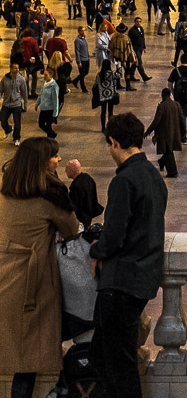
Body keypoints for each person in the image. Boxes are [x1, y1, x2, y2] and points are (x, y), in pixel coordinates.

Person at [90, 112, 168, 398]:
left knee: (118, 365)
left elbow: (113, 236)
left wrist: (96, 250)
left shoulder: (124, 180)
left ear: (113, 142)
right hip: (142, 279)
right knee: (105, 354)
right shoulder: (152, 176)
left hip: (120, 282)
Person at [0, 138, 80, 398]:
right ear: (43, 163)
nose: (58, 160)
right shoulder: (51, 196)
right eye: (55, 157)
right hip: (31, 285)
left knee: (17, 356)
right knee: (28, 360)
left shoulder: (6, 190)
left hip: (5, 277)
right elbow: (71, 230)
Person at [145, 88, 185, 177]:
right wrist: (183, 132)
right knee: (169, 151)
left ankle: (172, 172)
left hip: (164, 134)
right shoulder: (177, 104)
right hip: (174, 133)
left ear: (163, 95)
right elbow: (182, 119)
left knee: (168, 151)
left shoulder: (162, 106)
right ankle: (162, 162)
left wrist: (148, 131)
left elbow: (156, 121)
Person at [65, 159, 103, 230]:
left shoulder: (75, 186)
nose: (65, 171)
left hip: (81, 219)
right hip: (89, 214)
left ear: (72, 171)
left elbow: (75, 206)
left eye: (67, 169)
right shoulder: (87, 177)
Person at [0, 61, 27, 145]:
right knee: (3, 120)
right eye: (15, 68)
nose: (17, 70)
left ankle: (17, 138)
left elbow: (24, 92)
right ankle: (8, 129)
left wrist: (25, 104)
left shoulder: (21, 79)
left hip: (17, 104)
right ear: (11, 69)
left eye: (18, 68)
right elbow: (0, 91)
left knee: (17, 123)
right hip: (6, 104)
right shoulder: (4, 79)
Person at [35, 67, 59, 137]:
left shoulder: (54, 86)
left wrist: (55, 113)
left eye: (46, 75)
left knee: (48, 125)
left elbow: (55, 100)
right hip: (43, 108)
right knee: (41, 124)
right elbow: (40, 94)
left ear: (51, 76)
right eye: (44, 75)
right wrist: (37, 103)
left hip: (50, 109)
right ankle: (52, 134)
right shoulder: (43, 83)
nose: (44, 76)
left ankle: (49, 139)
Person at [94, 59, 118, 132]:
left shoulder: (99, 75)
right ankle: (110, 127)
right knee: (110, 112)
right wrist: (118, 66)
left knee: (103, 112)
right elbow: (119, 74)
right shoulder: (111, 74)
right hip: (110, 95)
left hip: (102, 96)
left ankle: (103, 127)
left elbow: (95, 84)